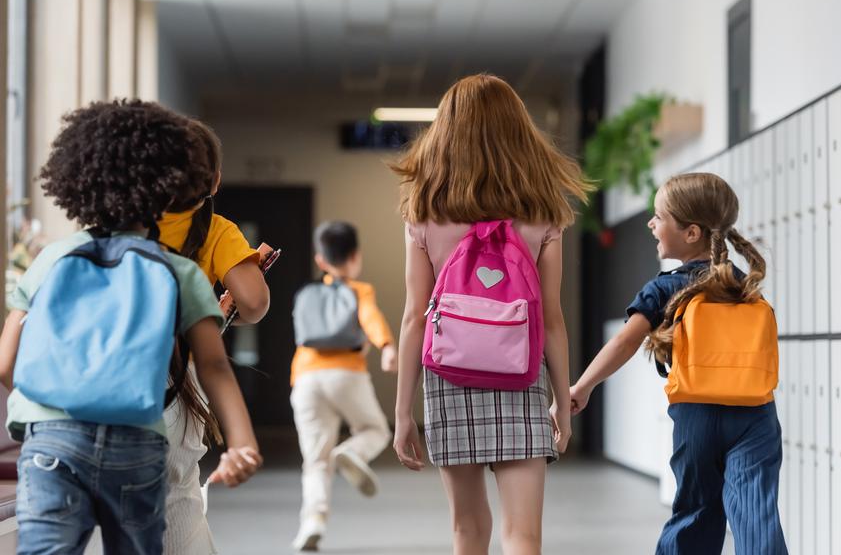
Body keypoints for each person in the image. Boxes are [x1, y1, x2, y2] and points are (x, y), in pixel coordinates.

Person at [0, 99, 261, 555]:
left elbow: (8, 364)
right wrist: (241, 442)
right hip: (136, 442)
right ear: (174, 184)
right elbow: (215, 366)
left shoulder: (51, 259)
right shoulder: (176, 271)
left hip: (53, 443)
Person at [391, 74, 591, 554]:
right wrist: (560, 403)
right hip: (521, 375)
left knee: (467, 529)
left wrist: (402, 414)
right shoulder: (544, 211)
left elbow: (415, 317)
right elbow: (553, 318)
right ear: (518, 131)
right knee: (523, 535)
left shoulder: (423, 212)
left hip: (449, 378)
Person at [570, 172, 787, 554]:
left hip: (698, 417)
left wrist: (582, 386)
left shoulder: (667, 287)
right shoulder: (743, 285)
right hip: (756, 415)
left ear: (691, 233)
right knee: (756, 513)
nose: (651, 224)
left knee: (696, 512)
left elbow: (624, 342)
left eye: (659, 217)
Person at [156, 118, 270, 554]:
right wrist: (225, 308)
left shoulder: (123, 228)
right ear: (216, 180)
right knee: (178, 496)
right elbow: (254, 302)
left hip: (107, 394)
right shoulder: (216, 230)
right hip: (177, 381)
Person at [290, 221, 397, 551]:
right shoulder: (358, 290)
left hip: (305, 379)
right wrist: (387, 345)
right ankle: (351, 451)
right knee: (375, 430)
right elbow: (369, 317)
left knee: (315, 459)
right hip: (346, 375)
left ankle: (313, 521)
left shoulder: (307, 294)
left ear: (319, 260)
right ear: (356, 257)